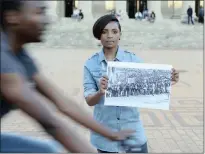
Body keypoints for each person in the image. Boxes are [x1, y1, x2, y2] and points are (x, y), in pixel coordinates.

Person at [0, 1, 135, 153]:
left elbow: (62, 102)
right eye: (39, 13)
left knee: (48, 150)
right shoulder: (3, 59)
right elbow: (49, 122)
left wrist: (111, 134)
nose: (47, 19)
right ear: (12, 17)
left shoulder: (18, 54)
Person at [83, 14, 179, 153]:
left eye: (114, 32)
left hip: (133, 133)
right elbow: (89, 100)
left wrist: (168, 79)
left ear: (120, 35)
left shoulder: (133, 60)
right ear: (99, 36)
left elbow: (149, 83)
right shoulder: (90, 64)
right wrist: (99, 92)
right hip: (105, 136)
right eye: (104, 31)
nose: (110, 36)